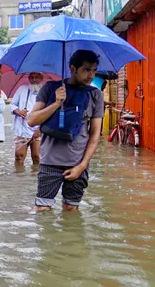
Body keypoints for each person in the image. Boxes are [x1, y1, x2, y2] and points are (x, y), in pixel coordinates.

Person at [28, 50, 104, 212]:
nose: (91, 75)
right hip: (50, 162)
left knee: (71, 210)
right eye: (86, 70)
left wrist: (82, 166)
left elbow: (95, 134)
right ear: (73, 68)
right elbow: (31, 120)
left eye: (94, 70)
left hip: (77, 163)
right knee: (42, 210)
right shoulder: (50, 89)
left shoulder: (95, 95)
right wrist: (56, 103)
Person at [10, 72, 44, 167]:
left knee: (37, 157)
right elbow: (12, 105)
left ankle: (36, 179)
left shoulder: (46, 91)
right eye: (31, 77)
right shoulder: (22, 88)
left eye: (37, 77)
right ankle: (19, 179)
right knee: (19, 156)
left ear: (41, 78)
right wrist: (19, 112)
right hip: (22, 129)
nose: (34, 80)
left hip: (38, 130)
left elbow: (49, 113)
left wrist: (40, 129)